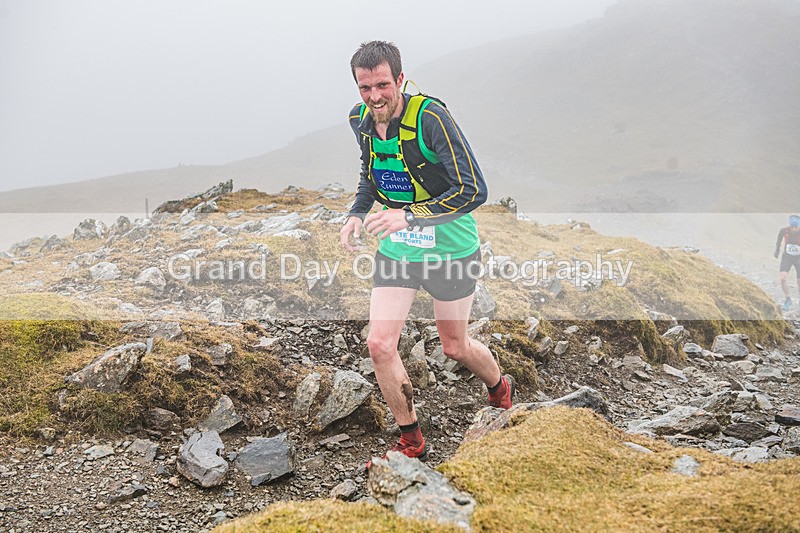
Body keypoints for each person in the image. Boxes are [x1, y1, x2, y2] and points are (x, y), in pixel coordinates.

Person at [339, 41, 515, 466]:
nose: (375, 96)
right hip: (399, 248)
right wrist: (358, 213)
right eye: (365, 87)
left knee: (454, 345)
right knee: (379, 344)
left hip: (451, 247)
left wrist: (411, 216)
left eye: (383, 84)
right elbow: (371, 173)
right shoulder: (360, 119)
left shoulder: (430, 117)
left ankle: (500, 390)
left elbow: (473, 190)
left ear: (400, 79)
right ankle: (411, 440)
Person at [775, 214, 800, 312]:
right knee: (783, 278)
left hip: (799, 258)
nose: (794, 229)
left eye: (796, 227)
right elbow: (779, 239)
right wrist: (777, 250)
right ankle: (788, 299)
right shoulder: (784, 230)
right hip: (787, 257)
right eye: (792, 227)